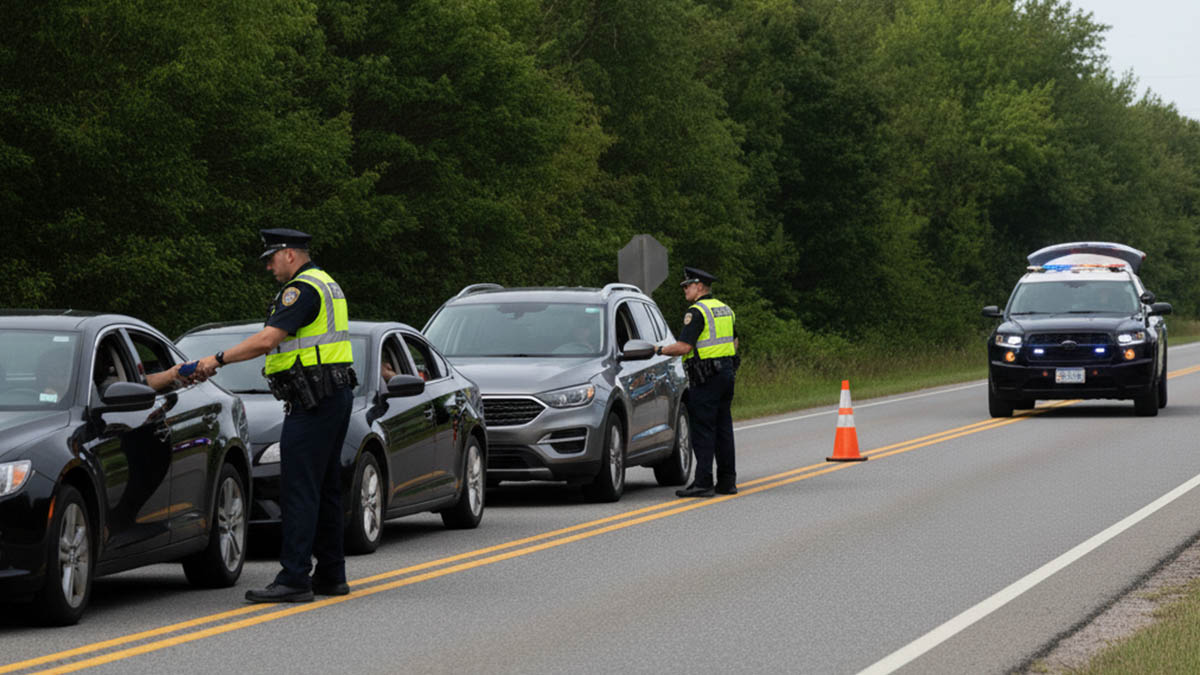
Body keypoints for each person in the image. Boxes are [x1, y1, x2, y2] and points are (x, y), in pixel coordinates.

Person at [195, 228, 356, 603]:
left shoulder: (300, 289)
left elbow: (268, 340)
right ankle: (332, 574)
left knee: (299, 488)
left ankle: (294, 578)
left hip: (313, 399)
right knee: (326, 487)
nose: (269, 267)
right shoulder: (327, 283)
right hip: (332, 395)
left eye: (271, 259)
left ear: (290, 254)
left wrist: (216, 359)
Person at [656, 266, 738, 498]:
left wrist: (658, 349)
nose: (684, 290)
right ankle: (727, 482)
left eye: (687, 286)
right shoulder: (725, 309)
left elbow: (684, 347)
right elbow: (734, 341)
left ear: (699, 286)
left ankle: (703, 482)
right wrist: (727, 364)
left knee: (703, 429)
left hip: (705, 377)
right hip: (726, 373)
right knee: (724, 428)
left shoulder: (696, 312)